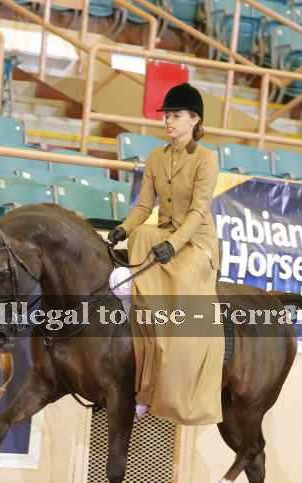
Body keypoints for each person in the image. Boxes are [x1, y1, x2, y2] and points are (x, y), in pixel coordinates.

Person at [106, 82, 224, 426]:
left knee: (181, 280)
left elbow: (199, 211)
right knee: (141, 234)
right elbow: (144, 206)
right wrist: (123, 229)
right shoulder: (155, 157)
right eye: (167, 116)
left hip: (196, 242)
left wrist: (174, 245)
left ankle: (170, 379)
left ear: (194, 119)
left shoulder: (206, 159)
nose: (168, 121)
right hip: (163, 234)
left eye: (175, 115)